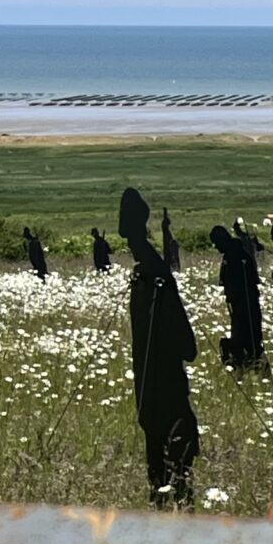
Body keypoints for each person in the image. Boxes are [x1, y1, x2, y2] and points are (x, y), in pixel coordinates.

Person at [121, 190, 200, 504]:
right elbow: (188, 348)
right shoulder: (155, 281)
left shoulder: (147, 279)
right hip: (165, 380)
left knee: (159, 447)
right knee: (176, 442)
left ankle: (164, 497)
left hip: (149, 383)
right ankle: (175, 497)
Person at [212, 224, 269, 372]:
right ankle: (249, 369)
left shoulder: (235, 257)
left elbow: (239, 283)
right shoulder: (237, 254)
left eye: (217, 243)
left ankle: (249, 370)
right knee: (249, 343)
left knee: (249, 343)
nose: (216, 247)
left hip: (244, 307)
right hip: (242, 306)